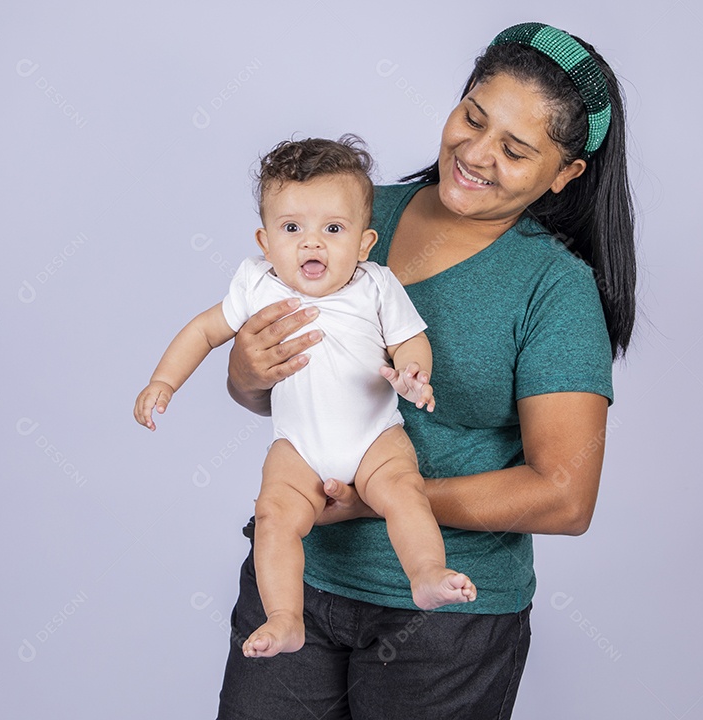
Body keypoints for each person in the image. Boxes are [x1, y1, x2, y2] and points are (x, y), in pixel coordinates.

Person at [217, 22, 636, 720]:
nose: (475, 153)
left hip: (444, 629)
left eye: (515, 149)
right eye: (473, 117)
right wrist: (245, 368)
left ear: (565, 174)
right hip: (297, 585)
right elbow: (269, 389)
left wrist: (383, 497)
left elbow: (565, 496)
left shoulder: (553, 289)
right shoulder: (349, 214)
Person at [134, 136, 477, 658]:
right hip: (297, 446)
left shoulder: (376, 285)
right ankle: (285, 616)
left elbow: (411, 340)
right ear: (265, 241)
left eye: (332, 230)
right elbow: (203, 331)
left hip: (374, 439)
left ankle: (426, 572)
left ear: (363, 245)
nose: (311, 244)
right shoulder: (256, 284)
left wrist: (413, 373)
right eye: (292, 228)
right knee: (273, 518)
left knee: (405, 492)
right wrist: (163, 380)